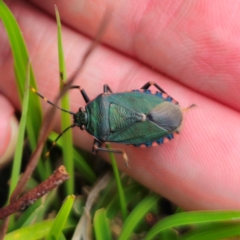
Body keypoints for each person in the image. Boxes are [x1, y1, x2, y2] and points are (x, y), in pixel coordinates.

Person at [0, 0, 240, 210]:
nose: (78, 118)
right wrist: (66, 85)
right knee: (151, 84)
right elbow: (85, 91)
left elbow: (98, 145)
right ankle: (181, 111)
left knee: (98, 147)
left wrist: (121, 150)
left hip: (129, 133)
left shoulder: (99, 137)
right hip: (136, 106)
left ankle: (174, 118)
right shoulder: (103, 98)